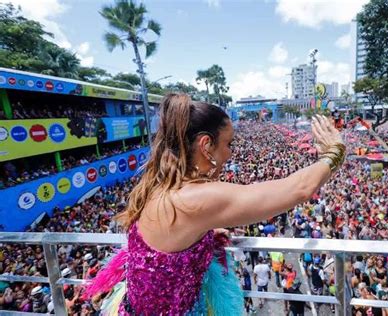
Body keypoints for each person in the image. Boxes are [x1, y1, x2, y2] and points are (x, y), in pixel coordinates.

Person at [82, 93, 346, 315]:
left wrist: (201, 240)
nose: (231, 152)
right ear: (206, 145)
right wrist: (335, 152)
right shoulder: (195, 198)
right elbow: (298, 189)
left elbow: (170, 245)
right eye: (228, 144)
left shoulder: (160, 184)